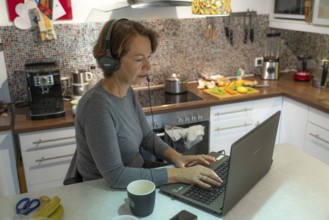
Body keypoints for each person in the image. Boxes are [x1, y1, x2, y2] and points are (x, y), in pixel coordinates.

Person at [75, 18, 222, 189]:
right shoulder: (97, 106)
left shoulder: (127, 91)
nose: (148, 65)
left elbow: (146, 136)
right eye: (139, 59)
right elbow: (115, 177)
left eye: (148, 57)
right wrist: (178, 174)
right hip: (104, 190)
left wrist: (176, 157)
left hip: (136, 174)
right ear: (111, 61)